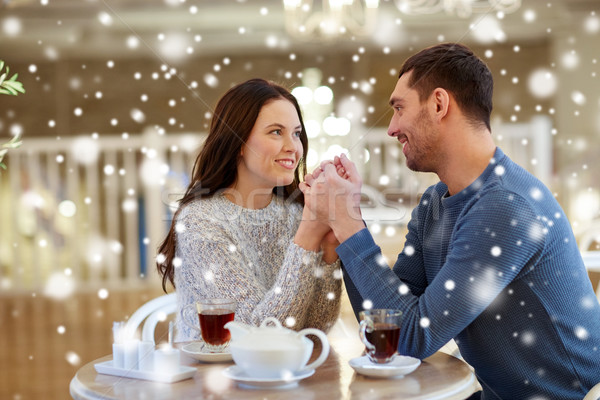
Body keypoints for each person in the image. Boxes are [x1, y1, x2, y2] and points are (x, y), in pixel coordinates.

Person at [300, 43, 600, 399]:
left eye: (399, 108)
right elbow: (389, 324)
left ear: (439, 104)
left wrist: (348, 223)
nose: (392, 128)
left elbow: (412, 337)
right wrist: (342, 233)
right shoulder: (434, 203)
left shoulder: (506, 206)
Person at [157, 78, 342, 342]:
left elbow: (316, 329)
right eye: (276, 132)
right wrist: (307, 239)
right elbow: (259, 337)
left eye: (297, 133)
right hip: (212, 377)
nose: (293, 146)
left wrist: (328, 251)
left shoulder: (294, 215)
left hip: (280, 376)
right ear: (239, 143)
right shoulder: (201, 222)